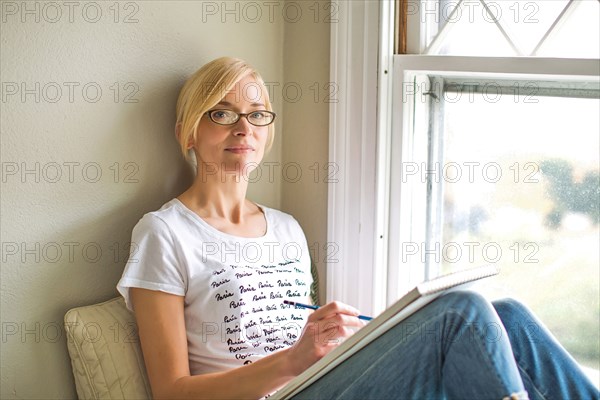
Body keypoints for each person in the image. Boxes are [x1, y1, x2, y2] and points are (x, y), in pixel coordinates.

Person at [116, 57, 598, 400]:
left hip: (323, 378)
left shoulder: (285, 229)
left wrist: (332, 338)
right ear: (189, 132)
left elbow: (295, 336)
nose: (243, 127)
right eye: (221, 114)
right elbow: (172, 392)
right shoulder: (164, 233)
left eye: (256, 114)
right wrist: (293, 361)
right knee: (461, 311)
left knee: (507, 314)